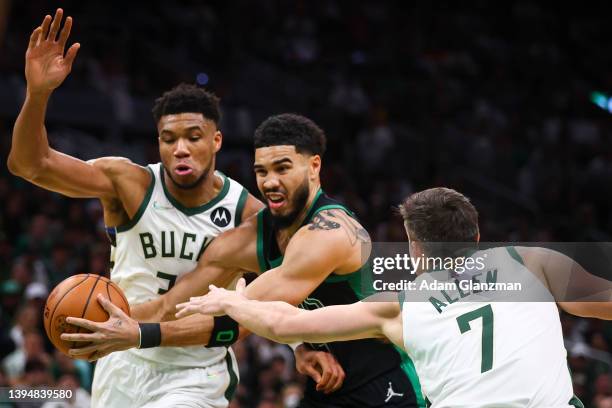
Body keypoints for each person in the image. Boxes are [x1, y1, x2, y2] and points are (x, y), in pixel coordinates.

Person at [8, 9, 337, 408]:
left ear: (216, 141)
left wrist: (302, 342)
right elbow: (29, 164)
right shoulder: (127, 183)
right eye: (168, 139)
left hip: (195, 367)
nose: (179, 148)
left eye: (193, 137)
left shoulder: (246, 212)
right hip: (121, 356)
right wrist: (38, 94)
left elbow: (288, 280)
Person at [62, 113, 426, 407]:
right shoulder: (247, 237)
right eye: (262, 171)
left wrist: (139, 335)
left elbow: (243, 320)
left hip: (385, 384)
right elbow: (176, 305)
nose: (270, 181)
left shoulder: (330, 232)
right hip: (326, 384)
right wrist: (107, 321)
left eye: (283, 168)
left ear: (314, 167)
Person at [179, 187, 612, 407]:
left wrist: (234, 300)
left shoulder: (397, 303)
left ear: (414, 249)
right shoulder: (531, 261)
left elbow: (284, 323)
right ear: (477, 236)